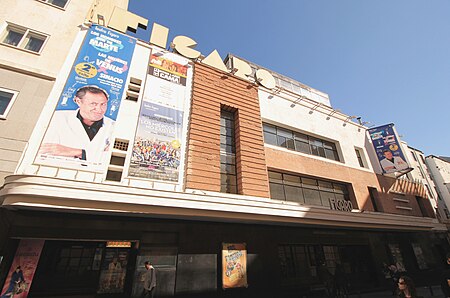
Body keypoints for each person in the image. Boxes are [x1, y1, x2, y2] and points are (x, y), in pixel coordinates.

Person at [39, 85, 113, 166]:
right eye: (93, 104)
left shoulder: (114, 126)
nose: (99, 109)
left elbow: (111, 159)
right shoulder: (56, 118)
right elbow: (46, 153)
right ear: (79, 102)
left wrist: (78, 152)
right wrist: (96, 155)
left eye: (103, 104)